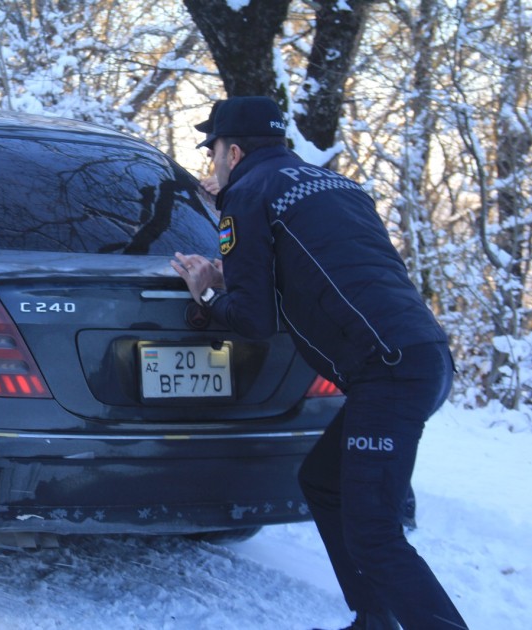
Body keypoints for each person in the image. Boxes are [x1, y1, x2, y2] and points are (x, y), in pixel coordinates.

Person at [171, 96, 468, 630]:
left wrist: (206, 295)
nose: (212, 163)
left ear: (233, 151)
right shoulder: (335, 186)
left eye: (213, 150)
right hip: (422, 355)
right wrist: (232, 274)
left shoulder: (248, 194)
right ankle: (373, 620)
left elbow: (255, 321)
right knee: (324, 483)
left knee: (374, 533)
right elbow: (326, 267)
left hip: (389, 372)